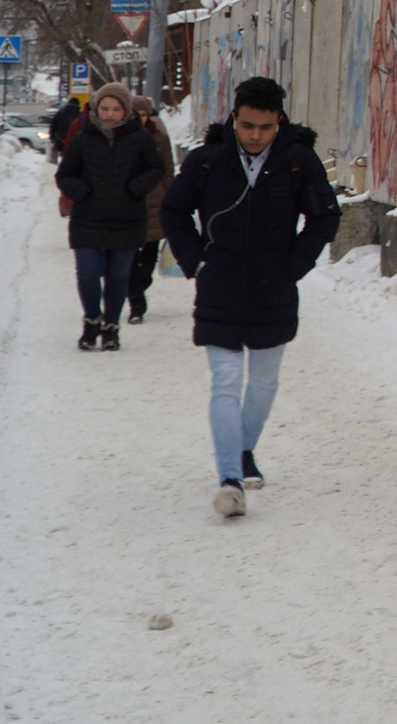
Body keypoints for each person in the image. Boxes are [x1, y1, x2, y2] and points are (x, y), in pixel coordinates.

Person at [161, 76, 339, 520]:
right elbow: (173, 210)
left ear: (279, 121)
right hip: (218, 284)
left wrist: (294, 265)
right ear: (233, 119)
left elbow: (325, 217)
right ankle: (229, 479)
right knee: (224, 380)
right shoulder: (207, 161)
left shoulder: (299, 162)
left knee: (262, 382)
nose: (255, 135)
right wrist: (195, 259)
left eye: (264, 126)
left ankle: (243, 451)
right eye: (246, 126)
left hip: (273, 287)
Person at [55, 83, 163, 352]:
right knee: (88, 274)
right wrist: (83, 192)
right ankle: (92, 319)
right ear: (96, 108)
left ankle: (111, 327)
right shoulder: (83, 138)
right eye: (105, 108)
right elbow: (64, 174)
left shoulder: (140, 138)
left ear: (126, 110)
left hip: (127, 217)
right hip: (87, 218)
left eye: (116, 109)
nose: (110, 114)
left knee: (117, 276)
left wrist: (134, 189)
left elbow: (156, 169)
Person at [125, 94, 177, 324]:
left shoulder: (160, 137)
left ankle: (140, 285)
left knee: (148, 255)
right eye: (138, 115)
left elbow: (168, 168)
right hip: (130, 201)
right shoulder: (122, 136)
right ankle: (136, 303)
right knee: (127, 257)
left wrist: (168, 192)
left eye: (145, 115)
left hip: (156, 201)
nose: (142, 119)